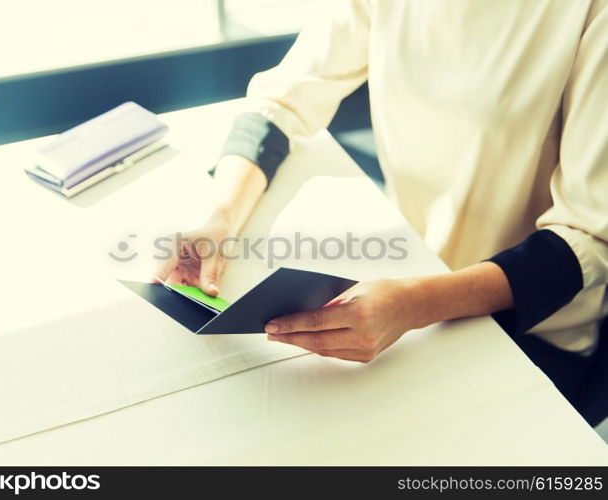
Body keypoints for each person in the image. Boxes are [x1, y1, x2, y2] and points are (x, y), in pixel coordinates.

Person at [154, 1, 608, 425]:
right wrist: (221, 217)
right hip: (408, 278)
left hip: (527, 326)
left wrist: (415, 304)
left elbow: (586, 238)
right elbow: (281, 102)